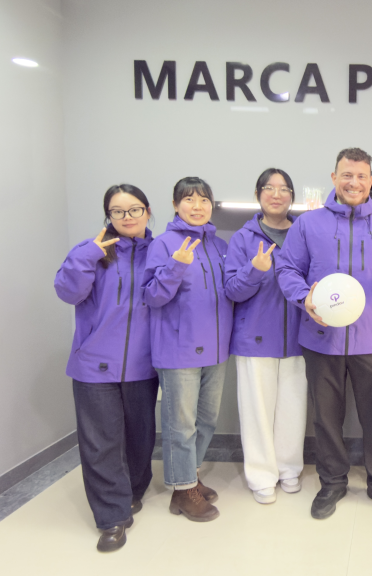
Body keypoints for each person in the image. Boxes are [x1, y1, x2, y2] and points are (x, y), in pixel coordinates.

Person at [275, 148, 372, 519]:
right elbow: (286, 269)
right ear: (334, 178)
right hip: (321, 339)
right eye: (347, 175)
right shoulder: (308, 225)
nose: (354, 183)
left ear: (371, 181)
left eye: (361, 176)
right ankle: (332, 483)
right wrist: (303, 296)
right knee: (326, 418)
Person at [53, 184, 157, 552]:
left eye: (134, 209)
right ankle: (111, 516)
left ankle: (132, 491)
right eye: (117, 211)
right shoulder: (93, 251)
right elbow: (67, 292)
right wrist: (87, 256)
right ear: (108, 216)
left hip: (144, 366)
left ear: (147, 211)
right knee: (101, 444)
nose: (127, 217)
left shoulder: (160, 252)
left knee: (140, 438)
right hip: (94, 366)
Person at [143, 177, 233, 522]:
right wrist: (177, 265)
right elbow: (152, 296)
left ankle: (190, 477)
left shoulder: (219, 246)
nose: (197, 206)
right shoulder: (164, 244)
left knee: (206, 420)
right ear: (175, 204)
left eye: (204, 200)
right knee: (180, 425)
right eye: (189, 199)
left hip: (216, 350)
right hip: (178, 350)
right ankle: (181, 491)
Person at [225, 168, 306, 505]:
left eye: (284, 189)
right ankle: (261, 475)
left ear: (292, 196)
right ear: (258, 194)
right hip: (255, 337)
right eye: (269, 188)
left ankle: (289, 468)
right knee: (257, 411)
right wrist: (254, 271)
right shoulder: (243, 238)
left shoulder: (303, 233)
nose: (276, 194)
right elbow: (232, 290)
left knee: (293, 409)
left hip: (299, 337)